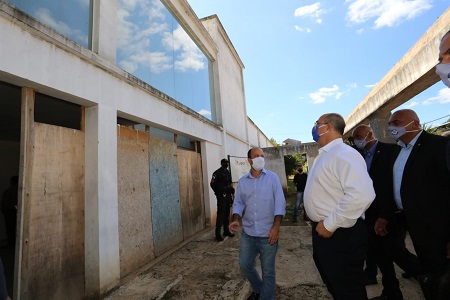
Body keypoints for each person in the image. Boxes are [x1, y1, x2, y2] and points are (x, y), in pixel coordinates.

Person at [304, 113, 375, 300]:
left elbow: (362, 194)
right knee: (336, 285)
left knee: (348, 290)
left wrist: (330, 224)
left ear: (328, 127)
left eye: (316, 124)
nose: (314, 128)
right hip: (326, 231)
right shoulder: (326, 155)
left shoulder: (344, 154)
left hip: (340, 233)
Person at [388, 109, 450, 300]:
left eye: (396, 122)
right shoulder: (399, 149)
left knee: (443, 277)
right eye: (389, 123)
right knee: (429, 272)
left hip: (437, 227)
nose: (391, 127)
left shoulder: (440, 145)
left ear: (415, 124)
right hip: (409, 220)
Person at [353, 124, 420, 300]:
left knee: (397, 252)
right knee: (379, 255)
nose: (357, 141)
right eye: (354, 138)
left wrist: (384, 215)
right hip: (368, 214)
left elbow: (394, 186)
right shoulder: (358, 156)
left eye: (359, 136)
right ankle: (391, 292)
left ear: (369, 134)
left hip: (388, 215)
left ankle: (429, 277)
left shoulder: (391, 151)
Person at [229, 147, 286, 300]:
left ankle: (266, 297)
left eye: (262, 156)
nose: (260, 158)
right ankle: (259, 288)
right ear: (249, 160)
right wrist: (235, 219)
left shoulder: (273, 178)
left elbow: (280, 203)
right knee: (245, 265)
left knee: (268, 271)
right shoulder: (242, 182)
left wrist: (276, 227)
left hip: (268, 234)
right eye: (256, 156)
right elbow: (239, 203)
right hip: (248, 233)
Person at [210, 159, 235, 241]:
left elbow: (228, 183)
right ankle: (217, 234)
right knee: (221, 214)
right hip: (221, 197)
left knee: (227, 213)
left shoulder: (227, 172)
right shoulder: (217, 173)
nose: (226, 164)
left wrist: (231, 189)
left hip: (227, 196)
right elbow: (212, 184)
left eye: (227, 163)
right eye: (225, 163)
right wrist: (218, 193)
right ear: (222, 163)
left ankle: (226, 231)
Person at [1, 176, 18, 247]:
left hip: (10, 212)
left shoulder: (8, 191)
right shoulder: (19, 192)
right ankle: (13, 244)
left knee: (10, 229)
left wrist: (5, 211)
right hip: (13, 211)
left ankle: (11, 243)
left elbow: (4, 203)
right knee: (14, 229)